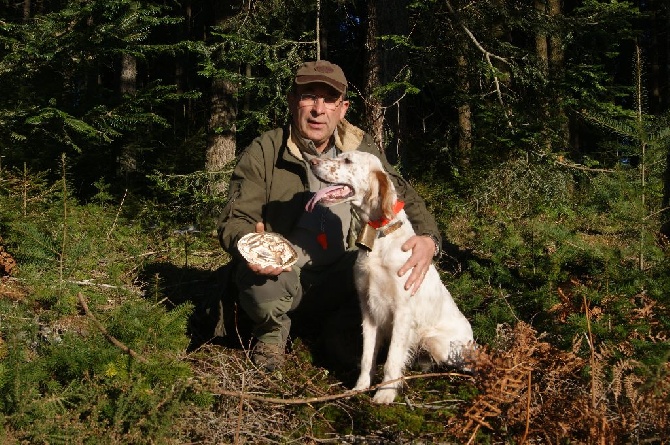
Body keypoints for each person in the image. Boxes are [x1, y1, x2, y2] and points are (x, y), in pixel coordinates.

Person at [217, 60, 442, 371]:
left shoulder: (361, 150)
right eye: (309, 96)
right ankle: (270, 338)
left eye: (329, 100)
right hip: (286, 274)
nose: (317, 109)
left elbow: (402, 195)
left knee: (379, 272)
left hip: (341, 274)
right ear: (293, 101)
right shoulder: (266, 150)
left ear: (343, 108)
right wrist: (251, 244)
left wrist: (428, 239)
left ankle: (373, 344)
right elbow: (236, 218)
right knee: (260, 283)